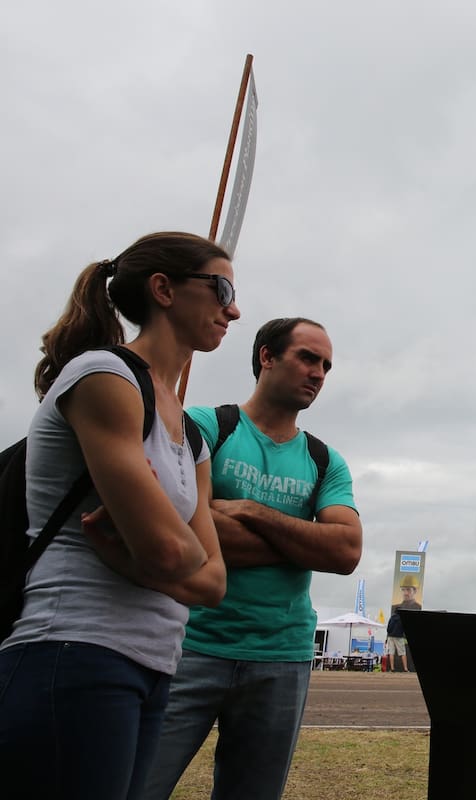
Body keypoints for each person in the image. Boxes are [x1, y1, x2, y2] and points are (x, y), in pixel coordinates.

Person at [0, 232, 235, 797]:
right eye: (221, 287)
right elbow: (174, 554)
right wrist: (166, 556)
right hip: (73, 648)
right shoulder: (103, 376)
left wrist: (133, 560)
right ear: (163, 290)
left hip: (154, 664)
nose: (234, 308)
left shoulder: (194, 434)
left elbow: (213, 582)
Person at [141, 318, 362, 800]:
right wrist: (299, 544)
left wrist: (247, 511)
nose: (319, 373)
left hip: (282, 657)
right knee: (139, 785)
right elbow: (173, 524)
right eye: (307, 357)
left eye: (326, 365)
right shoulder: (202, 425)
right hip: (188, 645)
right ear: (266, 356)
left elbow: (345, 551)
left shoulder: (325, 460)